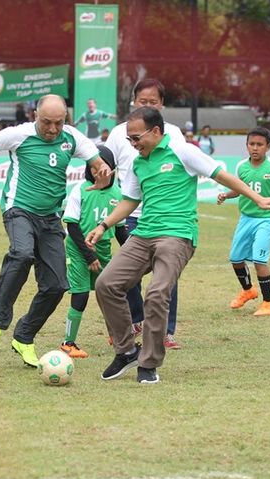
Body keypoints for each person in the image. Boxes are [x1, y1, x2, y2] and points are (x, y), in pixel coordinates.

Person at [87, 107, 270, 384]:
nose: (132, 144)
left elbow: (222, 176)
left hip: (177, 236)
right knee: (106, 284)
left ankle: (148, 363)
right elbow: (130, 201)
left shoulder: (183, 151)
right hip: (143, 234)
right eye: (129, 139)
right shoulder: (138, 162)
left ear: (156, 131)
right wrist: (103, 225)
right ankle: (127, 350)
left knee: (156, 293)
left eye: (136, 137)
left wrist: (258, 199)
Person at [0, 94, 111, 367]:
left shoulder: (72, 137)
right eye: (47, 122)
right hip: (19, 209)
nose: (52, 130)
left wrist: (103, 171)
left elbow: (98, 163)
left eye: (58, 123)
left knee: (57, 285)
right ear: (35, 115)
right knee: (22, 254)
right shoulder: (17, 135)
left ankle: (24, 336)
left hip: (50, 218)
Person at [104, 78, 184, 349]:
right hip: (131, 215)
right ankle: (137, 319)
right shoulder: (118, 134)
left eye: (153, 102)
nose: (148, 105)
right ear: (133, 102)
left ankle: (165, 332)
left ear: (162, 105)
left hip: (166, 218)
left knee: (165, 276)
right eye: (143, 101)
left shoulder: (173, 133)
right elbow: (106, 165)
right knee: (128, 274)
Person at [217, 127, 270, 316]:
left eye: (259, 145)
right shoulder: (241, 167)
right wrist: (225, 195)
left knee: (259, 259)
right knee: (236, 258)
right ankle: (248, 290)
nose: (255, 148)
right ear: (246, 145)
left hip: (267, 219)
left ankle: (269, 302)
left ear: (268, 147)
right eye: (252, 144)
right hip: (246, 217)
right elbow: (239, 189)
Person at [61, 146, 127, 358]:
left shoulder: (118, 193)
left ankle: (115, 335)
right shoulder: (79, 190)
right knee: (80, 294)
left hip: (104, 251)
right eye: (93, 166)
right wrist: (89, 256)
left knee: (110, 293)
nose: (97, 170)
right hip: (79, 249)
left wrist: (133, 252)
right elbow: (71, 226)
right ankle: (68, 343)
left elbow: (120, 229)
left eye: (102, 166)